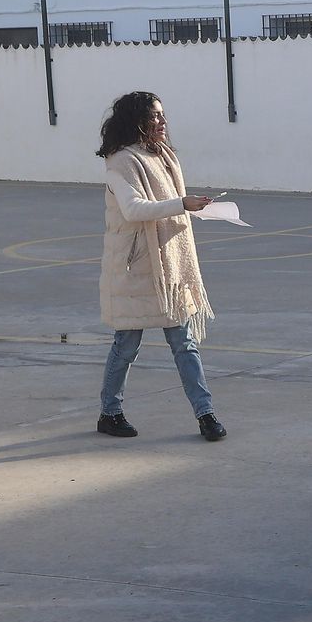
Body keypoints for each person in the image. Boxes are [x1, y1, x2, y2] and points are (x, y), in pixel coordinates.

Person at [94, 91, 226, 442]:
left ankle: (206, 414)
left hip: (170, 267)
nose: (163, 122)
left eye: (163, 115)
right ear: (137, 121)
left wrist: (189, 205)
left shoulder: (163, 156)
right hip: (135, 267)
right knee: (126, 345)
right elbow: (134, 209)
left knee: (185, 343)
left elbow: (166, 205)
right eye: (155, 116)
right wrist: (182, 203)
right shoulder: (121, 161)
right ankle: (110, 412)